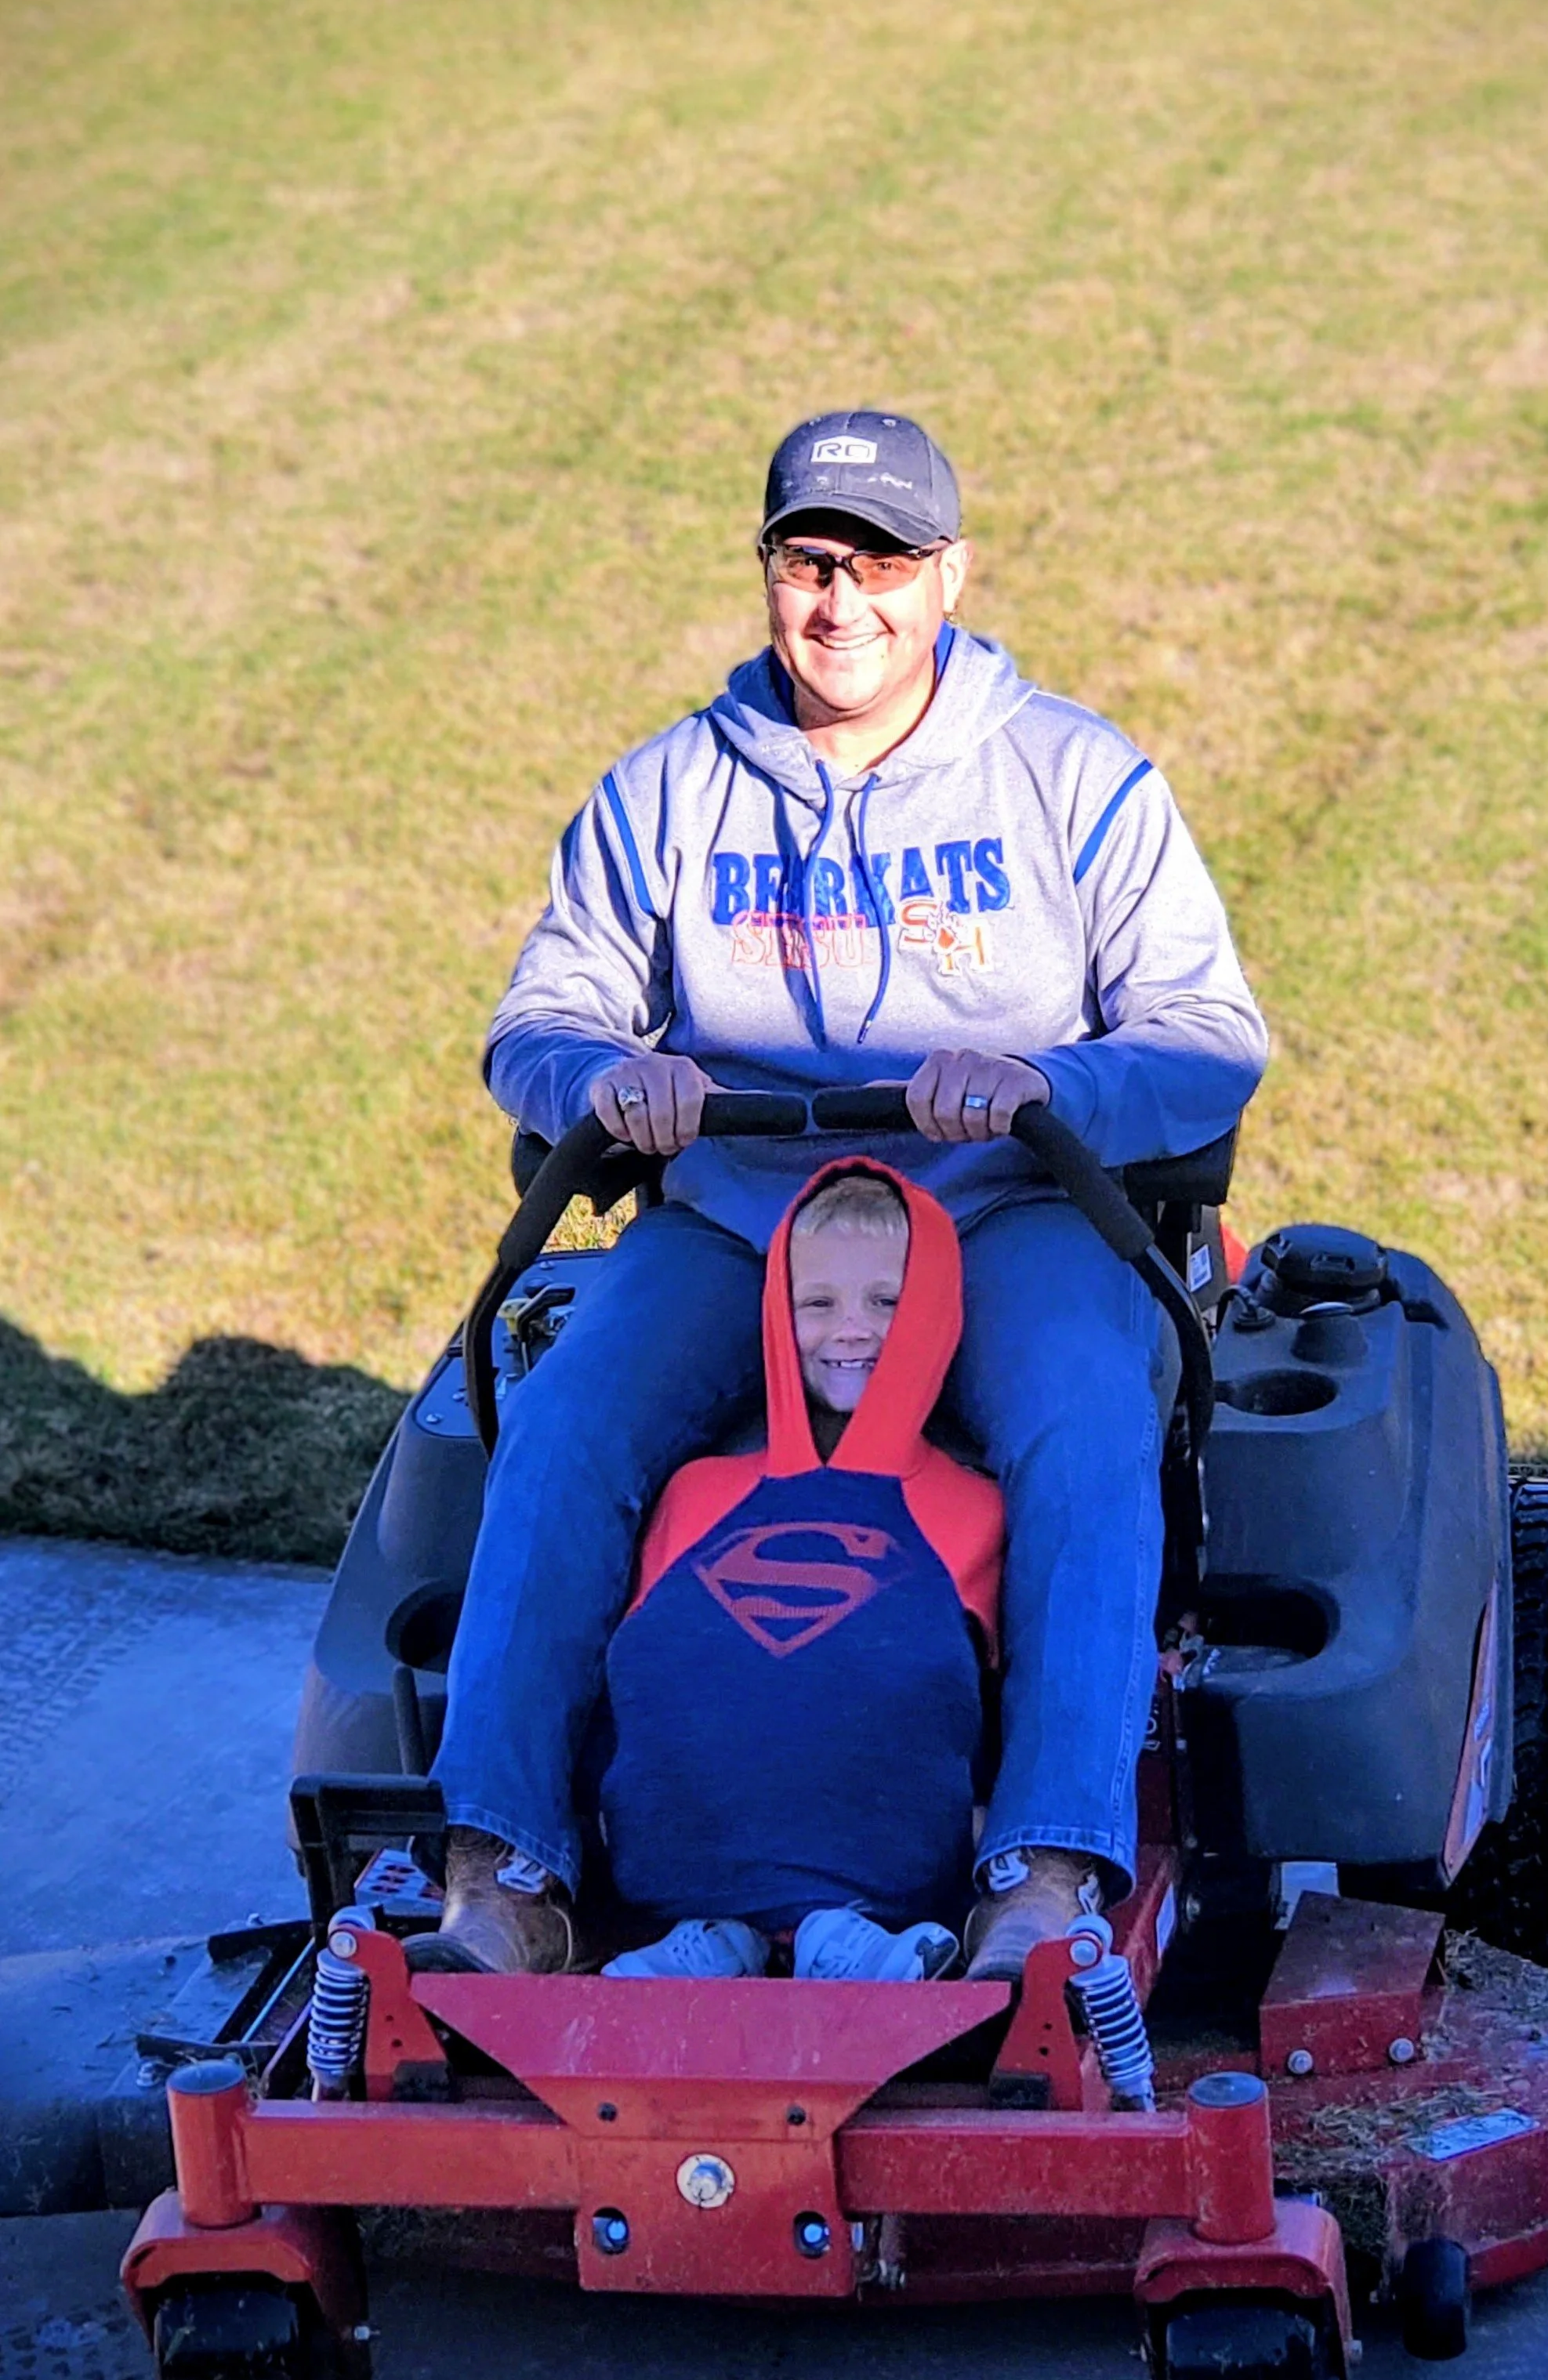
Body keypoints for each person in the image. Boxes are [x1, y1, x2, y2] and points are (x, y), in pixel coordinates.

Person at [430, 408, 1268, 1981]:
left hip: (1001, 1208)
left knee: (1087, 1414)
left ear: (949, 572)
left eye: (882, 561)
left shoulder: (1076, 775)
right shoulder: (669, 788)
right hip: (742, 1216)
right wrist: (606, 1081)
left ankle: (1043, 1864)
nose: (844, 600)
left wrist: (1046, 1085)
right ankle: (505, 1866)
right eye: (811, 560)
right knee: (564, 1412)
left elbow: (1211, 1040)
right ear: (766, 571)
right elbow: (535, 1023)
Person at [597, 1161, 999, 1986]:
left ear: (931, 1313)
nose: (850, 1328)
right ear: (777, 1317)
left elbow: (989, 1712)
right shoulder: (695, 1494)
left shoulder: (972, 1510)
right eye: (817, 1303)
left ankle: (833, 1926)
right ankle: (724, 1931)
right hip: (679, 1869)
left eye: (886, 1302)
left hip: (893, 1872)